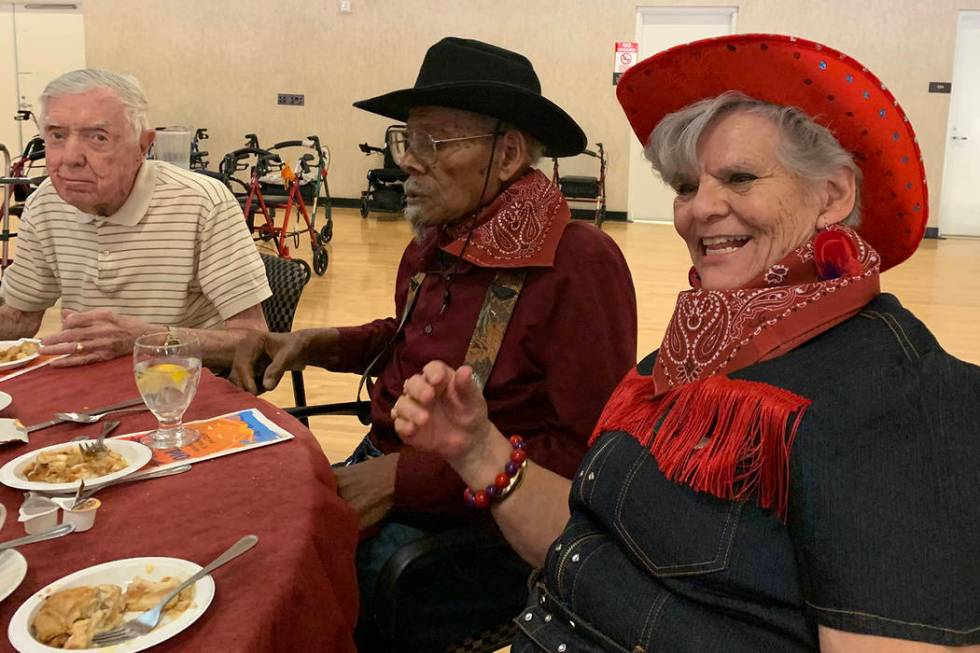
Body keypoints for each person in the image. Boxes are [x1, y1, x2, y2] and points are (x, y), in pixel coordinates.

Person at [393, 34, 980, 652]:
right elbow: (592, 544)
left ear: (832, 195)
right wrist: (478, 448)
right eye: (685, 186)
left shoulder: (902, 400)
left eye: (740, 178)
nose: (701, 210)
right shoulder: (684, 357)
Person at [230, 37, 637, 651]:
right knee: (252, 550)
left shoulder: (577, 263)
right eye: (407, 140)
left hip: (476, 530)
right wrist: (317, 341)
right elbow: (406, 341)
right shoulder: (436, 239)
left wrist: (404, 481)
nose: (409, 163)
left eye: (434, 142)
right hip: (384, 470)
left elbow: (589, 455)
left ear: (507, 155)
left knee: (295, 600)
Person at [0, 69, 270, 366]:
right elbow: (21, 318)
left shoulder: (203, 203)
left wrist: (147, 342)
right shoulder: (44, 204)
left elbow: (255, 341)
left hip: (186, 389)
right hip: (87, 385)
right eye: (57, 136)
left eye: (98, 137)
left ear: (143, 146)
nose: (71, 157)